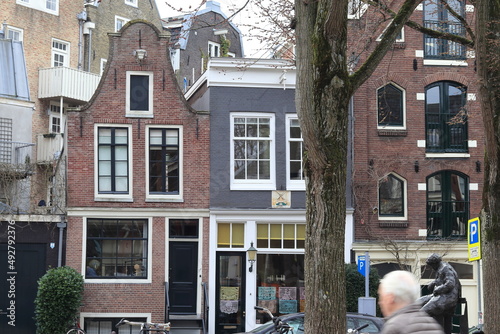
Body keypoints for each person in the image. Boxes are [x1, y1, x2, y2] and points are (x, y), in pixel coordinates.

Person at [378, 270, 444, 334]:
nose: (380, 302)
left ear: (390, 298)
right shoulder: (433, 325)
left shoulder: (394, 327)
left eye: (381, 296)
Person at [418, 253, 460, 331]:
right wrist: (434, 283)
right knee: (417, 302)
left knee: (423, 312)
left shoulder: (446, 268)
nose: (431, 267)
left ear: (435, 263)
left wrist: (438, 289)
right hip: (440, 295)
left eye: (431, 265)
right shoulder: (440, 268)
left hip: (448, 297)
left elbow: (450, 284)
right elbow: (441, 280)